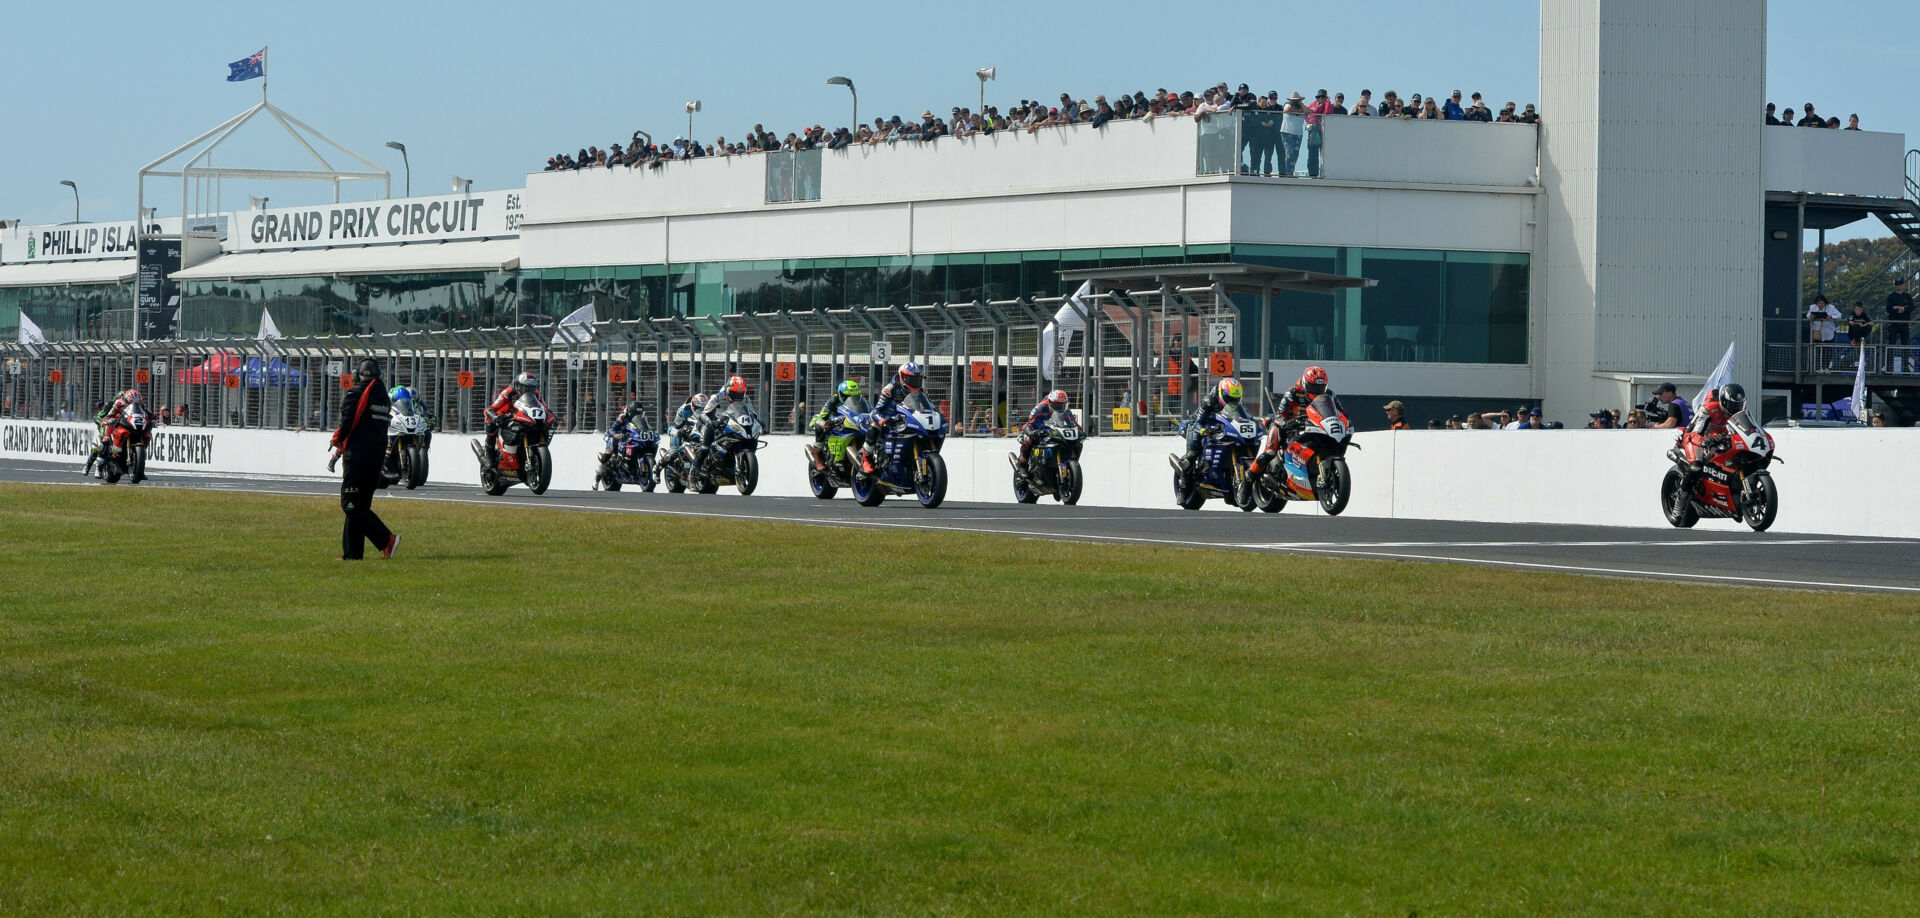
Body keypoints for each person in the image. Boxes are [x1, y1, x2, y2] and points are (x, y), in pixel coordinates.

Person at [329, 359, 397, 561]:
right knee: (360, 506)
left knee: (350, 504)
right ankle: (352, 555)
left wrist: (338, 440)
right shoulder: (383, 396)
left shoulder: (355, 393)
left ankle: (386, 539)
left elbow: (347, 422)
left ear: (358, 375)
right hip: (375, 459)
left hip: (357, 458)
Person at [1677, 383, 1746, 495]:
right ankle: (1680, 502)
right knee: (1696, 467)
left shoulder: (1740, 412)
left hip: (1719, 436)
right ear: (1723, 401)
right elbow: (1696, 432)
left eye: (1738, 405)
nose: (1735, 409)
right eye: (1732, 405)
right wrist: (1704, 441)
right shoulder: (1709, 409)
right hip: (1695, 437)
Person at [861, 362, 925, 473]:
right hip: (888, 417)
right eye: (912, 380)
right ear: (902, 377)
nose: (915, 383)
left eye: (918, 380)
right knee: (874, 426)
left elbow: (928, 406)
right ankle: (866, 458)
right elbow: (877, 410)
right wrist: (882, 419)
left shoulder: (921, 391)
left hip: (907, 418)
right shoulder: (891, 388)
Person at [1178, 377, 1246, 480]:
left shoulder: (1238, 403)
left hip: (1221, 426)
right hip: (1200, 424)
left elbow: (1246, 417)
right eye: (1230, 399)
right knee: (1192, 455)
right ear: (1222, 393)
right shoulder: (1209, 401)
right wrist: (1204, 430)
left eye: (1235, 399)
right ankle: (1183, 484)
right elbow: (1198, 422)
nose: (1233, 402)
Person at [483, 372, 540, 466]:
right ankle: (489, 458)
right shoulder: (507, 392)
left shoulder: (537, 395)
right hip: (503, 417)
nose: (529, 391)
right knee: (491, 426)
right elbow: (491, 409)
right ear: (518, 386)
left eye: (532, 388)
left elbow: (544, 407)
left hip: (521, 418)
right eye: (525, 388)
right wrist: (495, 417)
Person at [810, 379, 867, 470]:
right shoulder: (833, 400)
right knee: (819, 423)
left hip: (850, 422)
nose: (850, 398)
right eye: (847, 396)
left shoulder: (861, 401)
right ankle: (818, 458)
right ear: (841, 394)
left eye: (854, 396)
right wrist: (825, 422)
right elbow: (823, 415)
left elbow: (868, 410)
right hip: (833, 421)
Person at [1016, 390, 1073, 478]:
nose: (1059, 408)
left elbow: (1073, 423)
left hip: (1053, 430)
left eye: (1062, 405)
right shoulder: (1040, 407)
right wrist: (1034, 432)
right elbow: (1030, 422)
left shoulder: (1065, 409)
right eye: (1057, 405)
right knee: (1028, 437)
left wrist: (1079, 430)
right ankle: (1022, 464)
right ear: (1050, 402)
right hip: (1038, 427)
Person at [1886, 278, 1913, 373]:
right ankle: (1889, 367)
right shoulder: (1891, 296)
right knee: (1891, 345)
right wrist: (1900, 308)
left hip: (1905, 324)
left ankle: (1905, 367)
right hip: (1893, 323)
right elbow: (1889, 309)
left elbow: (1911, 308)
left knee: (1905, 346)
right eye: (1897, 284)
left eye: (1900, 284)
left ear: (1903, 285)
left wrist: (1901, 308)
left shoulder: (1907, 296)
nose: (1898, 286)